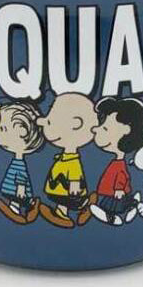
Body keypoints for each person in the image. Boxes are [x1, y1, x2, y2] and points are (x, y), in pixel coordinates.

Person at [36, 93, 98, 228]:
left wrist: (74, 184)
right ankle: (62, 212)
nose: (43, 122)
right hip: (59, 188)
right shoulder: (64, 157)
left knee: (69, 200)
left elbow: (75, 171)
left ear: (76, 124)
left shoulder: (72, 160)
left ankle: (83, 207)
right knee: (63, 200)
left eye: (51, 121)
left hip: (69, 190)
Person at [90, 97, 143, 225]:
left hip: (116, 193)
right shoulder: (116, 162)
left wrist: (119, 189)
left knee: (114, 205)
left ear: (126, 131)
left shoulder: (119, 164)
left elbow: (122, 176)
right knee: (113, 203)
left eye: (105, 128)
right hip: (113, 192)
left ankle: (116, 215)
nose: (95, 129)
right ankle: (131, 205)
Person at [0, 101, 45, 224]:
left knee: (18, 199)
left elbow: (21, 176)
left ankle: (20, 209)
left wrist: (21, 188)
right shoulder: (17, 161)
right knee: (16, 199)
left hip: (19, 192)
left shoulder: (19, 163)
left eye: (2, 128)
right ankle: (18, 207)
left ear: (21, 132)